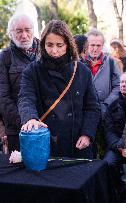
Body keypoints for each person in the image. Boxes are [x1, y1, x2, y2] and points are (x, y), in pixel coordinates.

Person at [18, 20, 100, 159]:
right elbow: (25, 98)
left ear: (68, 45)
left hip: (78, 145)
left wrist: (87, 134)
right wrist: (30, 118)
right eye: (49, 45)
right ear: (43, 45)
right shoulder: (32, 71)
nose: (54, 51)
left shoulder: (82, 71)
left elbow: (92, 107)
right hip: (46, 145)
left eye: (59, 45)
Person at [0, 14, 40, 153]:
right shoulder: (4, 57)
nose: (24, 35)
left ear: (33, 31)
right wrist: (26, 122)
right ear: (11, 34)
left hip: (46, 125)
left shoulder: (46, 52)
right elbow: (3, 97)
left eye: (27, 30)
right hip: (18, 129)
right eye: (19, 31)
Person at [103, 72, 126, 202]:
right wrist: (119, 147)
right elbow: (108, 131)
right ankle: (120, 192)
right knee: (107, 164)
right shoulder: (112, 105)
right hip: (118, 146)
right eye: (122, 82)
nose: (123, 85)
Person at [85, 28, 120, 119]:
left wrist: (106, 104)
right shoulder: (79, 62)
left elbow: (118, 85)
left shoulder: (111, 62)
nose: (95, 49)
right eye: (92, 45)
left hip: (105, 113)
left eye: (98, 45)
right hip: (85, 112)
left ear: (102, 46)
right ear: (86, 45)